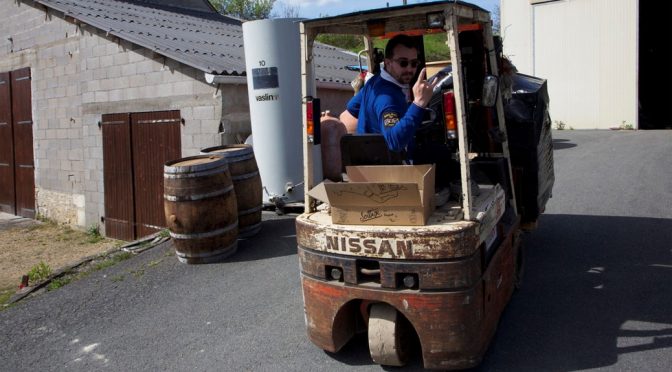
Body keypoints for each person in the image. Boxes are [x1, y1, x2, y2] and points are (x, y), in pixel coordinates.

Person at [341, 34, 437, 154]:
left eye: (414, 63)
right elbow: (394, 142)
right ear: (387, 63)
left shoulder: (374, 82)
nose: (409, 69)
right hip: (388, 166)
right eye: (403, 63)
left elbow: (352, 107)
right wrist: (419, 103)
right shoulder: (387, 98)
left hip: (369, 160)